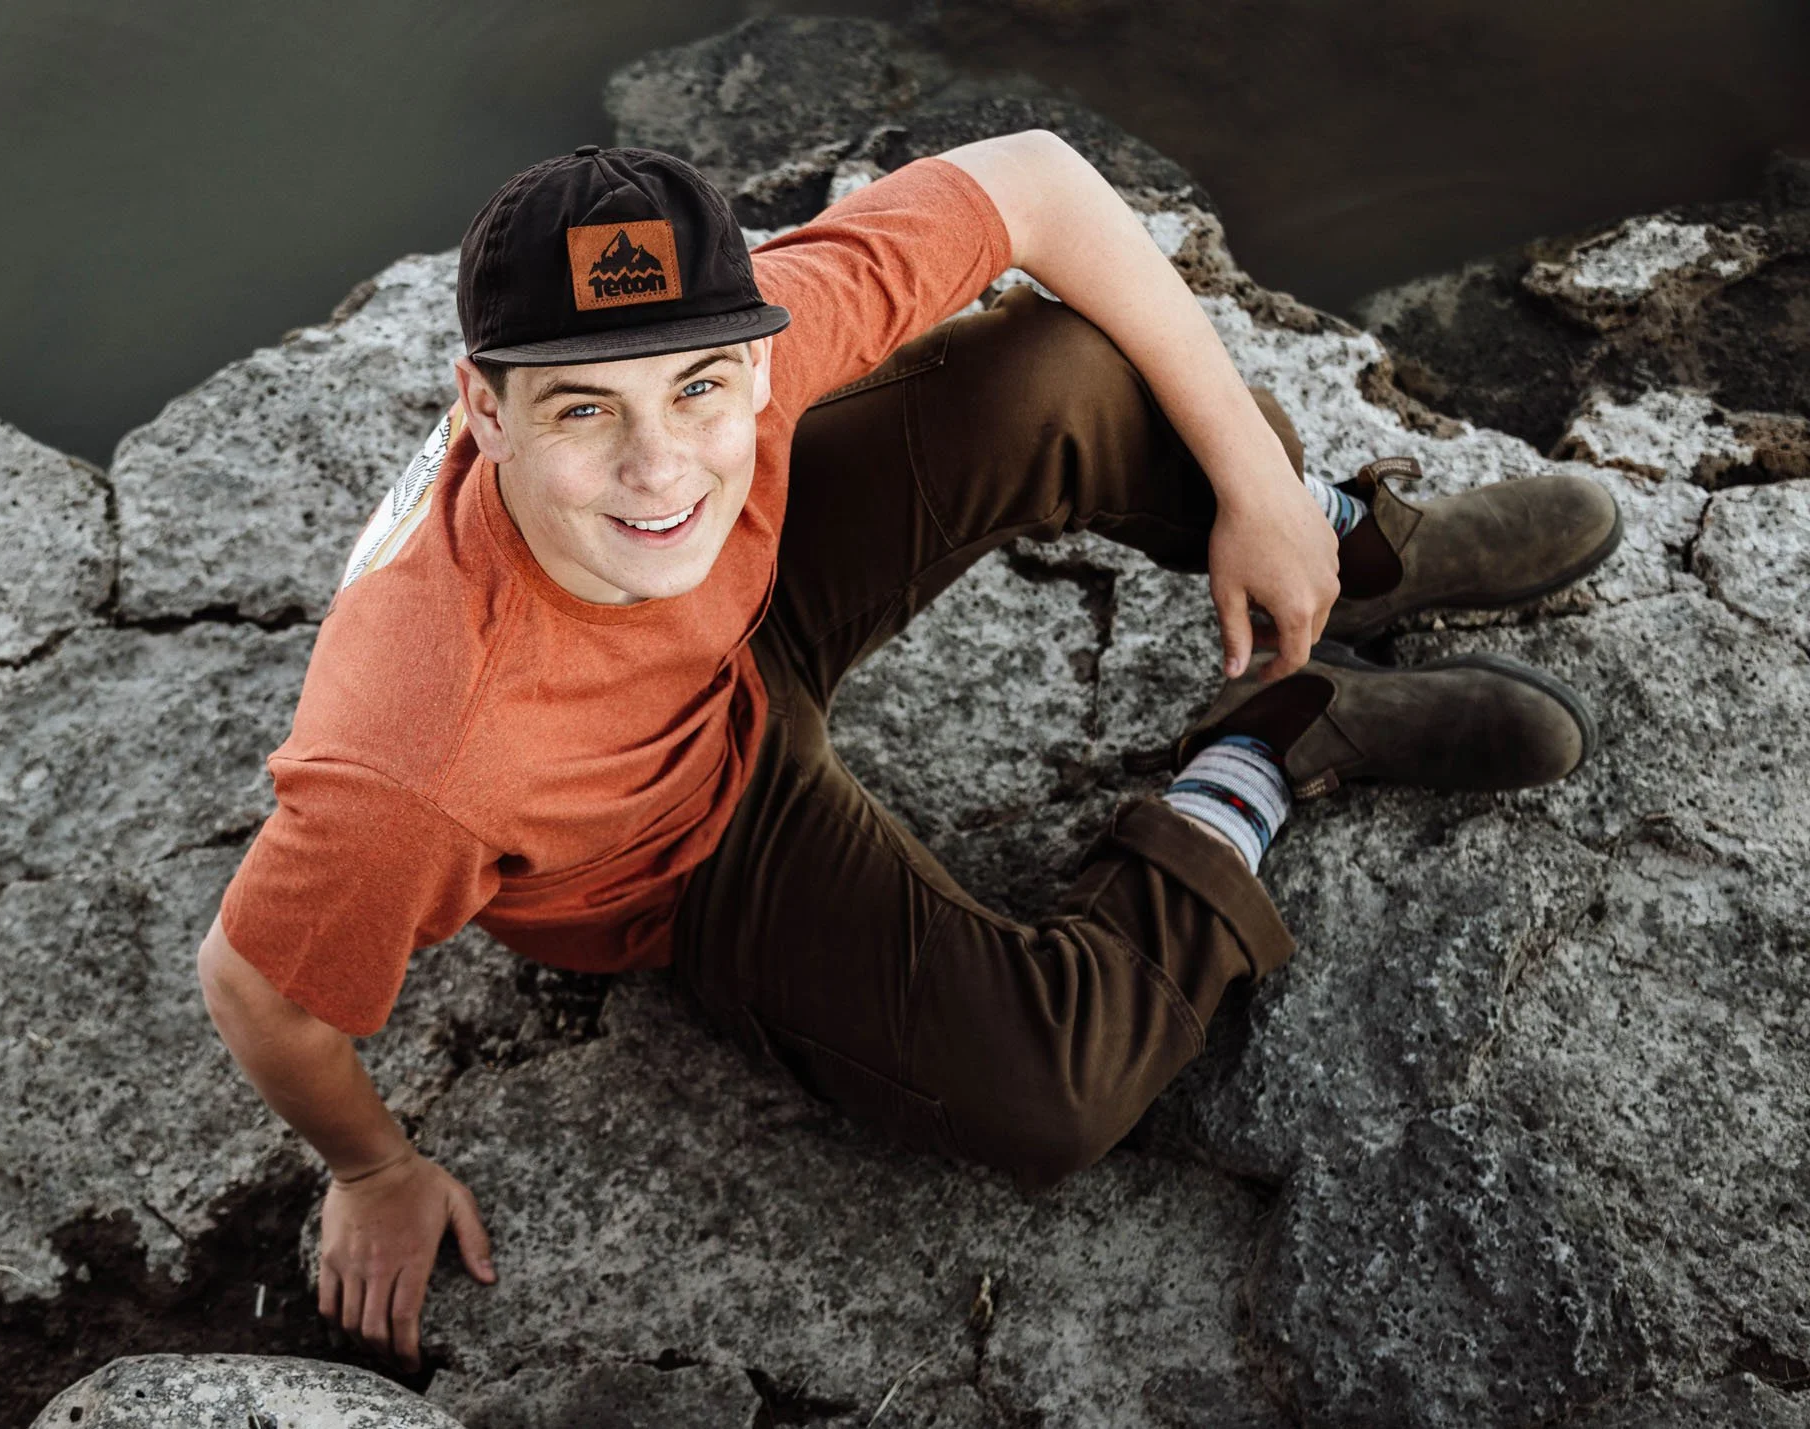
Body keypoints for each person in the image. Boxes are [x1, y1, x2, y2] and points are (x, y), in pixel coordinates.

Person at [195, 132, 1620, 1373]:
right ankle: (1269, 742)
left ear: (753, 354)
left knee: (1061, 365)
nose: (660, 462)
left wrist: (1259, 486)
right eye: (583, 409)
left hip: (745, 611)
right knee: (1056, 1088)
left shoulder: (732, 359)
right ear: (481, 410)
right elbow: (256, 987)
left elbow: (1039, 182)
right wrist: (371, 1167)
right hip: (674, 844)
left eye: (700, 387)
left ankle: (1336, 561)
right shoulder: (419, 765)